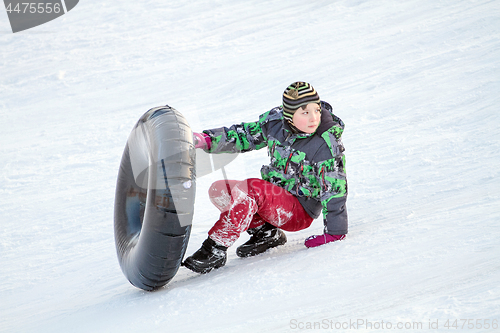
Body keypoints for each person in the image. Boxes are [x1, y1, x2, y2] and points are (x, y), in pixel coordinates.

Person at [183, 82, 348, 274]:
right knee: (220, 190)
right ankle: (265, 233)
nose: (314, 118)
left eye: (316, 110)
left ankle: (215, 248)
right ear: (289, 116)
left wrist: (335, 233)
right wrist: (207, 139)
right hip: (274, 198)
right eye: (305, 112)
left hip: (299, 211)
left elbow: (335, 190)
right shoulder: (276, 124)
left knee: (251, 189)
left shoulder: (325, 144)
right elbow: (244, 135)